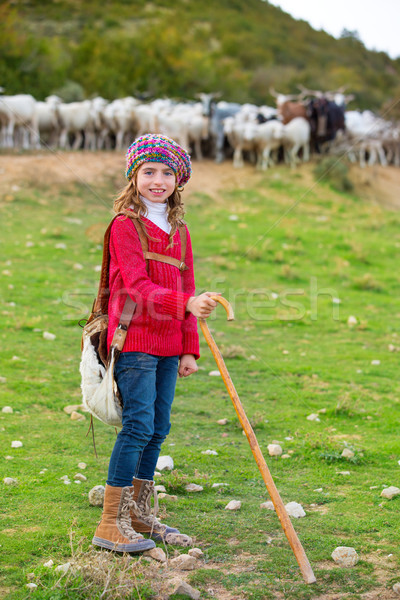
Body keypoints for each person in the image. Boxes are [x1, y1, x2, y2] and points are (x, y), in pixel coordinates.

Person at [92, 134, 218, 553]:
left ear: (178, 181)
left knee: (158, 428)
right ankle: (110, 523)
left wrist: (188, 347)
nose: (158, 180)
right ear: (134, 176)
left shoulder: (179, 230)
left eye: (167, 173)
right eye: (149, 172)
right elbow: (138, 285)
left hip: (168, 343)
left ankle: (140, 516)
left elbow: (189, 287)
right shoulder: (126, 226)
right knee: (138, 426)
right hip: (136, 338)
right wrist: (186, 302)